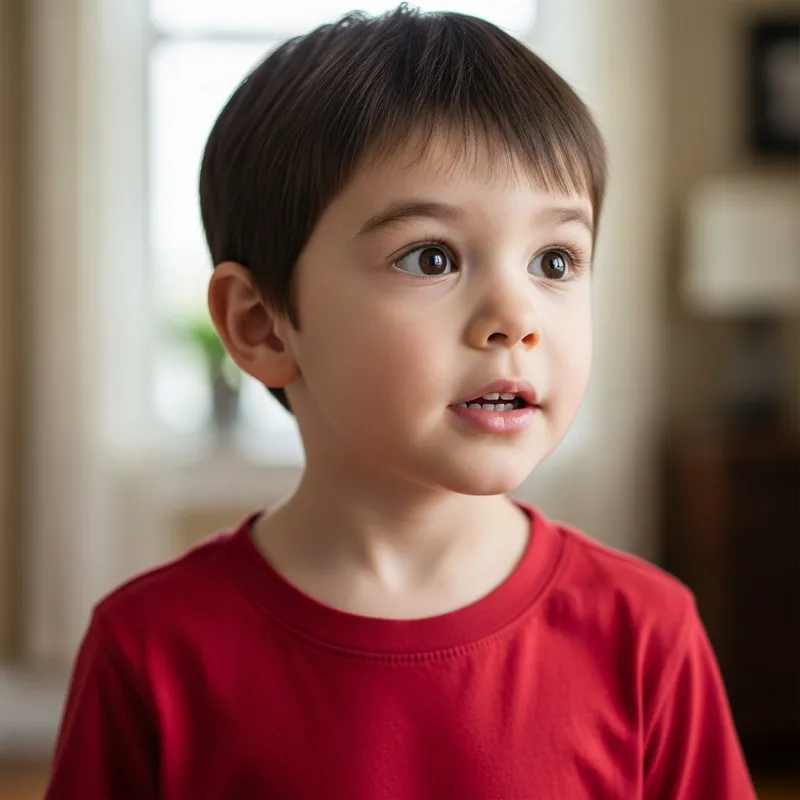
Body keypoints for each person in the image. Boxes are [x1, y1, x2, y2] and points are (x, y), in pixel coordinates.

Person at [45, 5, 757, 798]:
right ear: (261, 324)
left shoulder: (647, 635)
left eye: (555, 260)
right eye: (431, 256)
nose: (516, 319)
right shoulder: (152, 650)